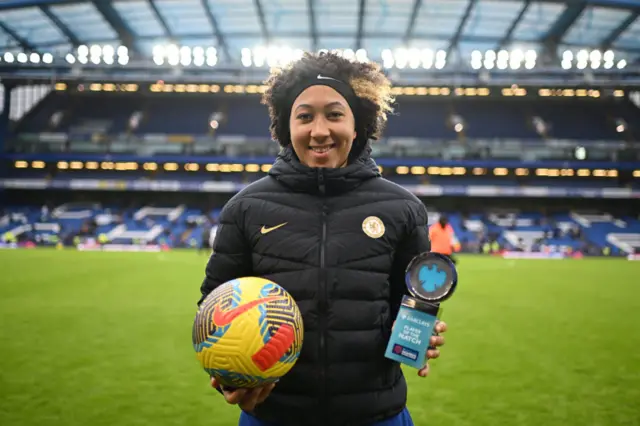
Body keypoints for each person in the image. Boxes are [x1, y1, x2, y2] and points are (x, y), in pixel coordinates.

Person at [197, 51, 448, 426]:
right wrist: (227, 377)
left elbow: (408, 300)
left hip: (375, 414)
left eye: (334, 114)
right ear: (286, 126)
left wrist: (418, 335)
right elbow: (213, 309)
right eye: (304, 116)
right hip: (274, 415)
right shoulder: (246, 208)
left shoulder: (403, 209)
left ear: (358, 124)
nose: (318, 131)